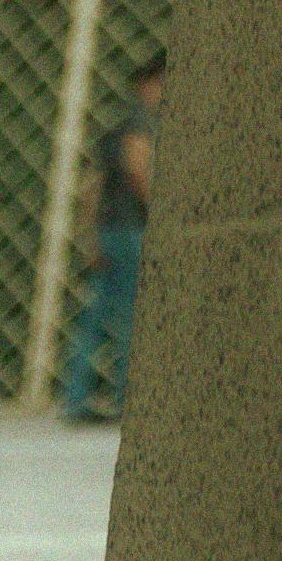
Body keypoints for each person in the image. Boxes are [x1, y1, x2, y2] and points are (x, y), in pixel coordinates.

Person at [56, 44, 162, 422]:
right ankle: (124, 400)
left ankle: (75, 398)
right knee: (134, 317)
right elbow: (137, 172)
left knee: (97, 315)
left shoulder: (116, 129)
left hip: (109, 229)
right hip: (133, 229)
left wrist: (91, 236)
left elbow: (92, 187)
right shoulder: (142, 124)